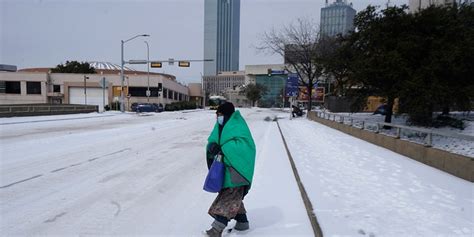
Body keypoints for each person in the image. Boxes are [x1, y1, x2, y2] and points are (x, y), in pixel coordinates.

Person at [205, 102, 256, 237]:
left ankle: (216, 229)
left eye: (220, 115)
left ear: (227, 115)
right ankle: (242, 222)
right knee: (233, 197)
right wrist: (212, 146)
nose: (218, 117)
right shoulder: (220, 126)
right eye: (217, 115)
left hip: (237, 171)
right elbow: (212, 140)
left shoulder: (238, 126)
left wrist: (222, 149)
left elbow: (244, 147)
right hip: (225, 170)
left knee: (228, 199)